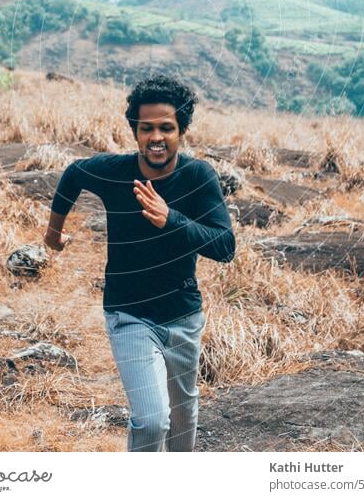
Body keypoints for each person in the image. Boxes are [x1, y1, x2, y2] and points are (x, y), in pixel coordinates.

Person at [44, 74, 236, 452]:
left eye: (167, 127)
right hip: (128, 314)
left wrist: (172, 219)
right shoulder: (115, 172)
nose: (156, 137)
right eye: (146, 128)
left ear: (181, 131)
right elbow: (73, 174)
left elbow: (225, 246)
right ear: (135, 131)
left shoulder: (198, 177)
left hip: (183, 317)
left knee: (183, 419)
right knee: (151, 421)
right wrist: (53, 235)